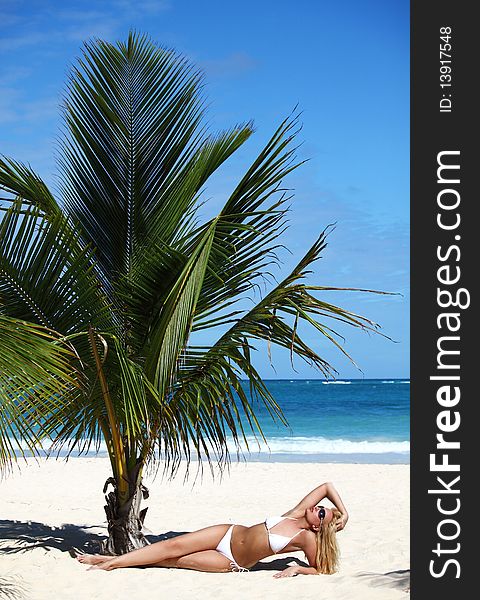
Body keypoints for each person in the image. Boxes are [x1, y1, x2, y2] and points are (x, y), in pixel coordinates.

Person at [77, 481, 348, 577]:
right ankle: (109, 563)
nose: (319, 507)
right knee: (172, 545)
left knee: (175, 561)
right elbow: (326, 486)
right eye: (321, 506)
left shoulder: (307, 539)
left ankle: (114, 561)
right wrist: (344, 513)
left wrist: (297, 568)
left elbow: (322, 569)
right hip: (228, 532)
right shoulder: (296, 513)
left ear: (319, 526)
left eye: (323, 512)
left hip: (231, 561)